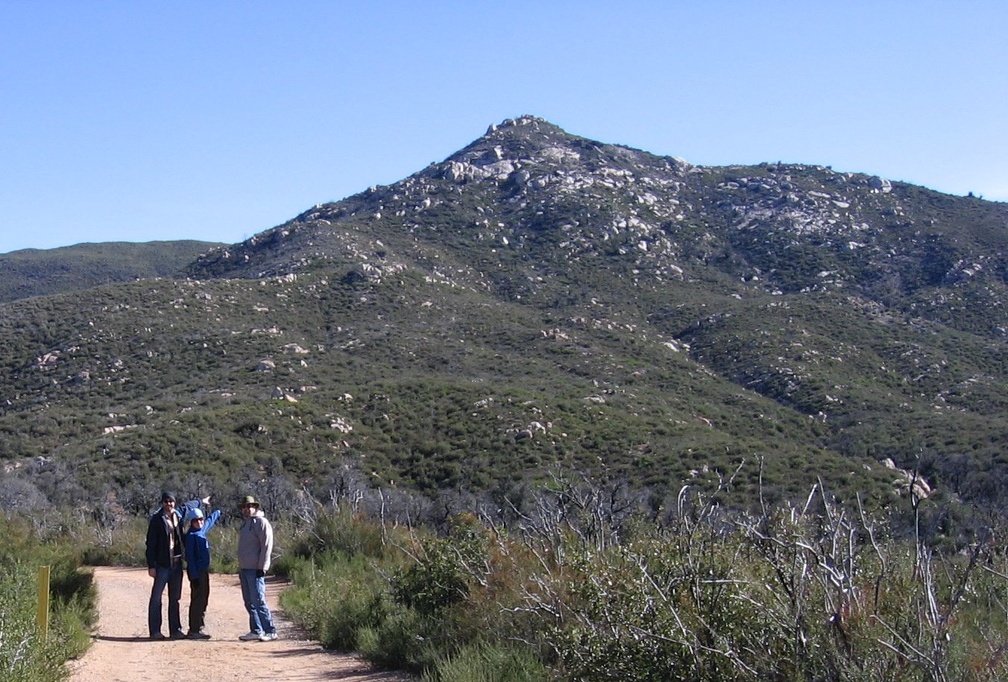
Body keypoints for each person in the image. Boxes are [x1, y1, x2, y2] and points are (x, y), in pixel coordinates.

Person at [237, 494, 278, 641]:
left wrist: (263, 566)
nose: (247, 509)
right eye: (245, 507)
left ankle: (270, 630)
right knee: (249, 601)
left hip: (255, 569)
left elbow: (266, 546)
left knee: (259, 600)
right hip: (245, 568)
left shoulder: (261, 523)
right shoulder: (246, 524)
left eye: (250, 506)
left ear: (255, 507)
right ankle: (256, 630)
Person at [145, 491, 185, 640]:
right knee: (156, 598)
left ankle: (175, 630)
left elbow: (190, 506)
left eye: (171, 501)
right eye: (166, 501)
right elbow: (150, 543)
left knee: (175, 598)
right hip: (162, 565)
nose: (169, 504)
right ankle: (155, 631)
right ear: (162, 503)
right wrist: (151, 565)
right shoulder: (156, 520)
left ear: (175, 503)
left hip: (176, 563)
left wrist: (202, 502)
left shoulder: (178, 517)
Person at [184, 502, 221, 639]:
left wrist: (218, 511)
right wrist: (194, 576)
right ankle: (194, 629)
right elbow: (190, 558)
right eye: (196, 520)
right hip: (197, 573)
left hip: (203, 571)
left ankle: (198, 628)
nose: (199, 522)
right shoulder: (191, 536)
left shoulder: (201, 531)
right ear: (192, 522)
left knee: (204, 599)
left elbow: (210, 522)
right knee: (198, 600)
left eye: (201, 520)